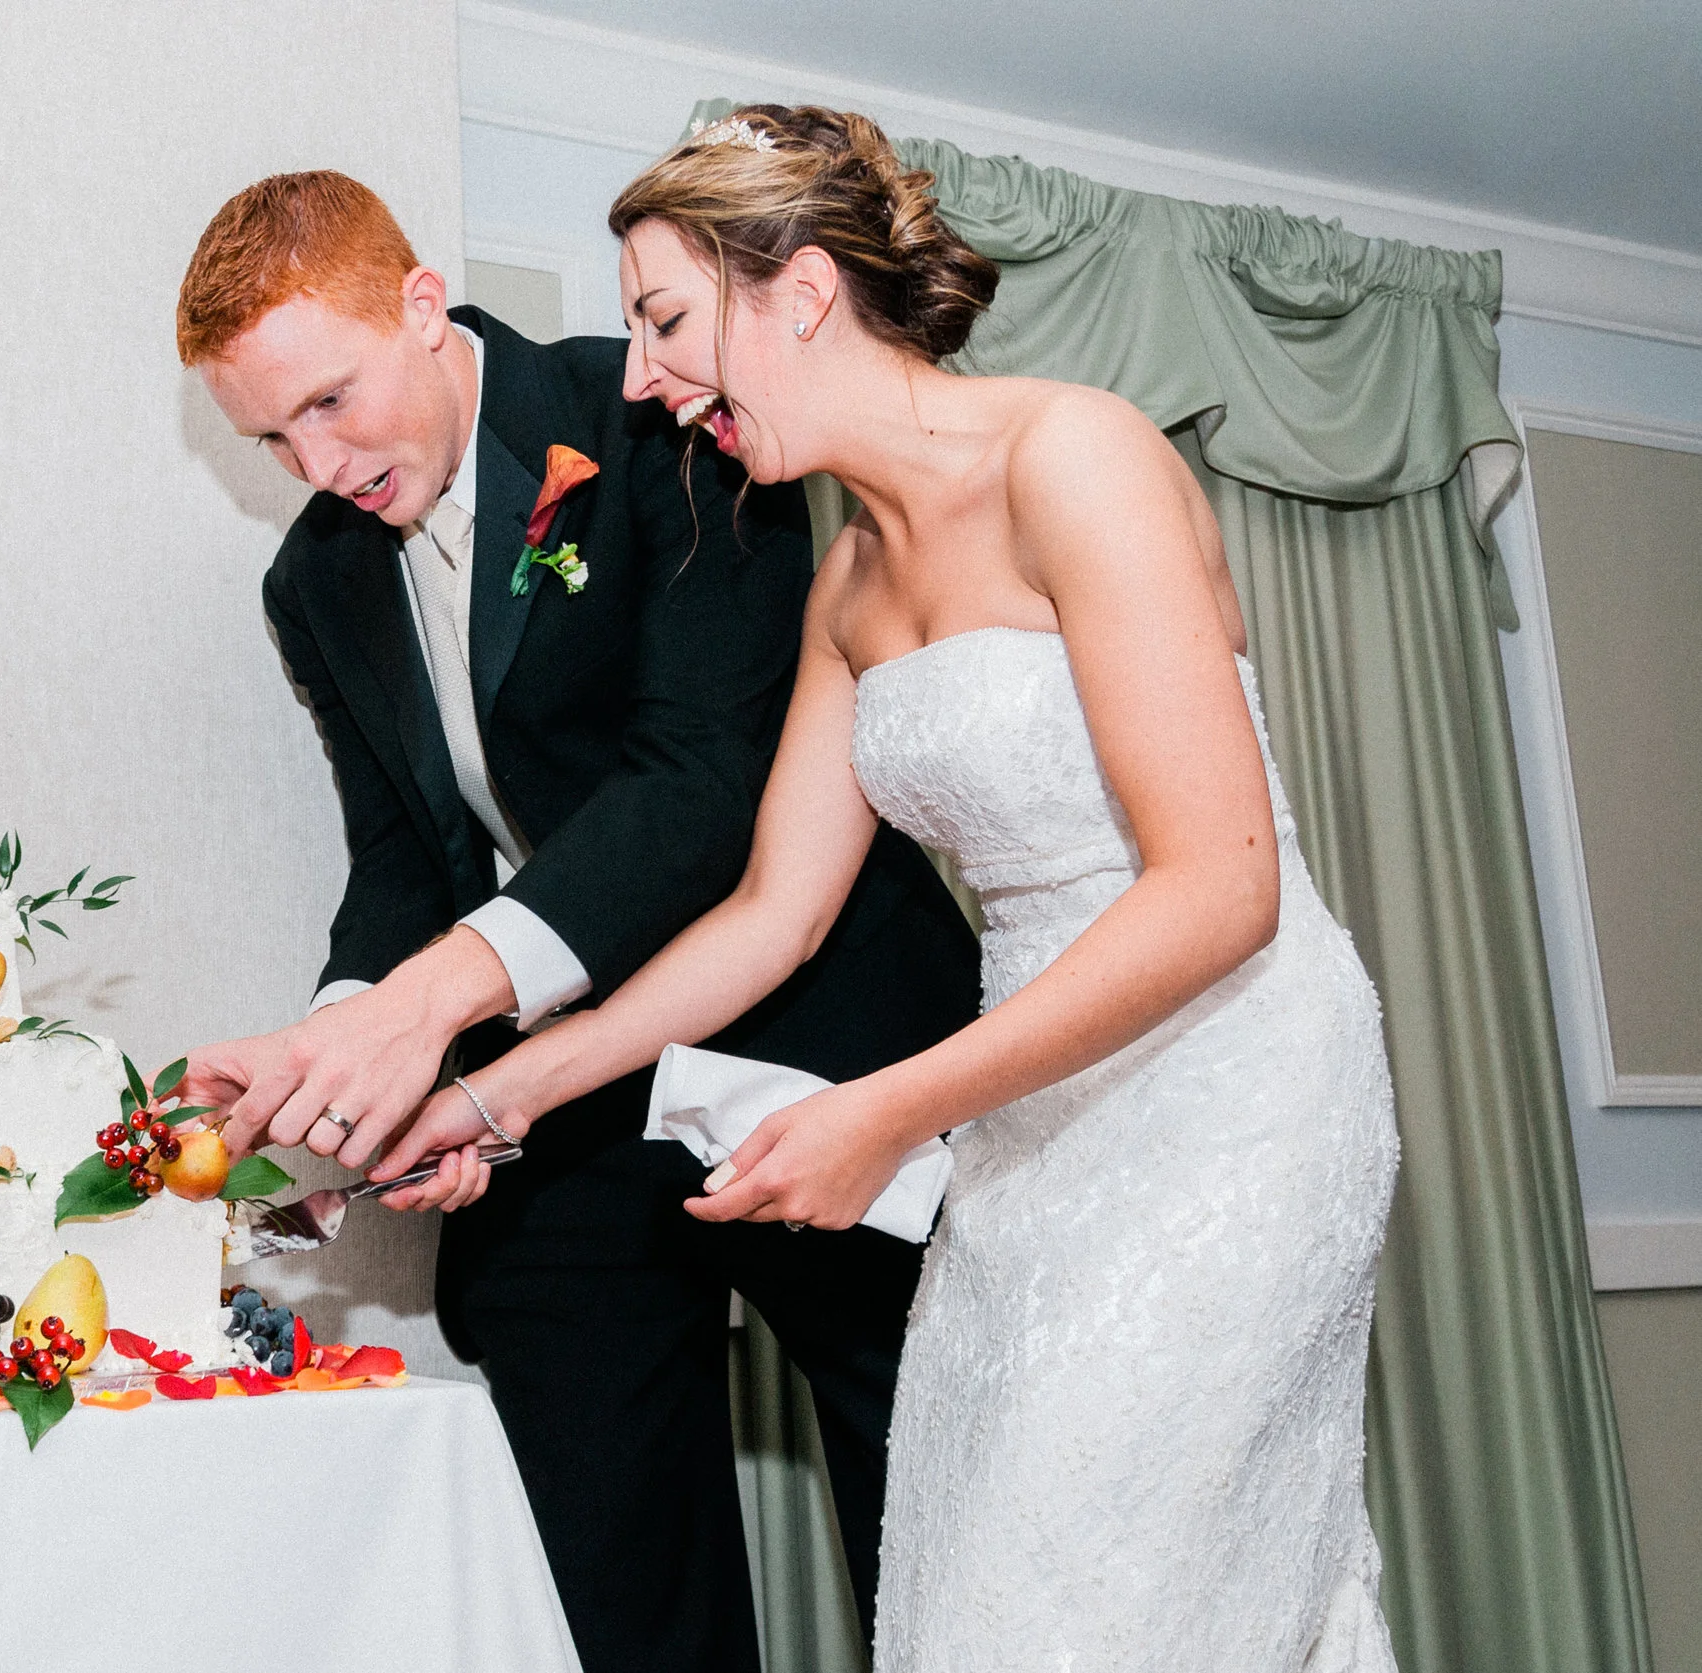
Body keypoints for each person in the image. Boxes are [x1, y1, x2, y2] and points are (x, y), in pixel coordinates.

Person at [377, 106, 1403, 1671]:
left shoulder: (1078, 457)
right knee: (965, 1581)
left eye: (664, 320)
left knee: (1100, 1600)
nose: (641, 379)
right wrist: (502, 1097)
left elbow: (1222, 890)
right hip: (1027, 1115)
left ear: (797, 290)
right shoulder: (850, 576)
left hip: (1229, 1096)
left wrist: (894, 1109)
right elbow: (771, 916)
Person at [172, 171, 982, 1673]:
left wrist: (436, 1008)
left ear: (423, 308)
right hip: (590, 1082)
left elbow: (707, 781)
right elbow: (408, 860)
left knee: (934, 1509)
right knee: (559, 1370)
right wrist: (339, 1044)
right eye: (272, 437)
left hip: (828, 1038)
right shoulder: (317, 581)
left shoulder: (664, 412)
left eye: (332, 403)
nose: (314, 460)